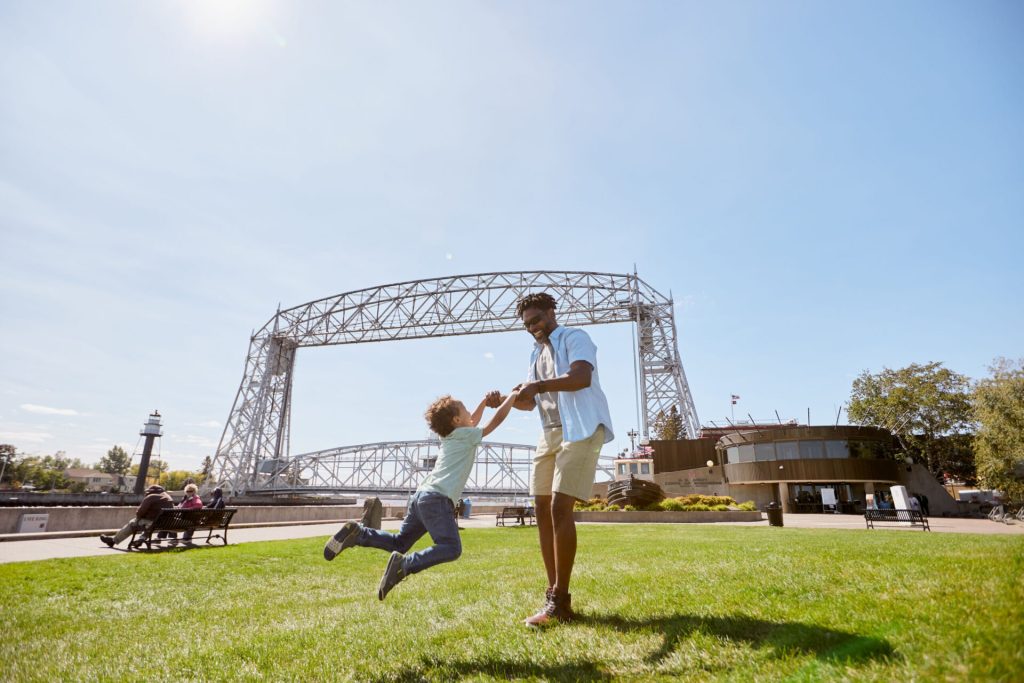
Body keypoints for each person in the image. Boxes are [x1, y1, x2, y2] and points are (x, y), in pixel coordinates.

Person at [322, 389, 519, 600]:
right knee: (451, 547)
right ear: (456, 419)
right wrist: (513, 396)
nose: (471, 414)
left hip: (421, 497)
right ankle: (405, 564)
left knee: (399, 543)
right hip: (437, 499)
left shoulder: (451, 436)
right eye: (466, 410)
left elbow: (471, 421)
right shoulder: (467, 436)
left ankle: (358, 534)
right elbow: (495, 421)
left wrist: (484, 402)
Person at [509, 292, 614, 626]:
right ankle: (554, 594)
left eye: (537, 320)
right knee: (541, 507)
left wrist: (537, 386)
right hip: (550, 432)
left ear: (552, 312)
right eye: (527, 324)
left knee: (559, 507)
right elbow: (531, 402)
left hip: (580, 428)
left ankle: (560, 599)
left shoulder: (574, 337)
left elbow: (581, 377)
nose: (533, 328)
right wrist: (512, 398)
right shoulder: (535, 354)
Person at [99, 485, 174, 548]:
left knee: (133, 523)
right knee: (148, 524)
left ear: (151, 491)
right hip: (166, 523)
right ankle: (141, 539)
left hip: (153, 523)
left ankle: (113, 541)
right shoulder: (168, 497)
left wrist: (138, 517)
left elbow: (140, 512)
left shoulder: (151, 497)